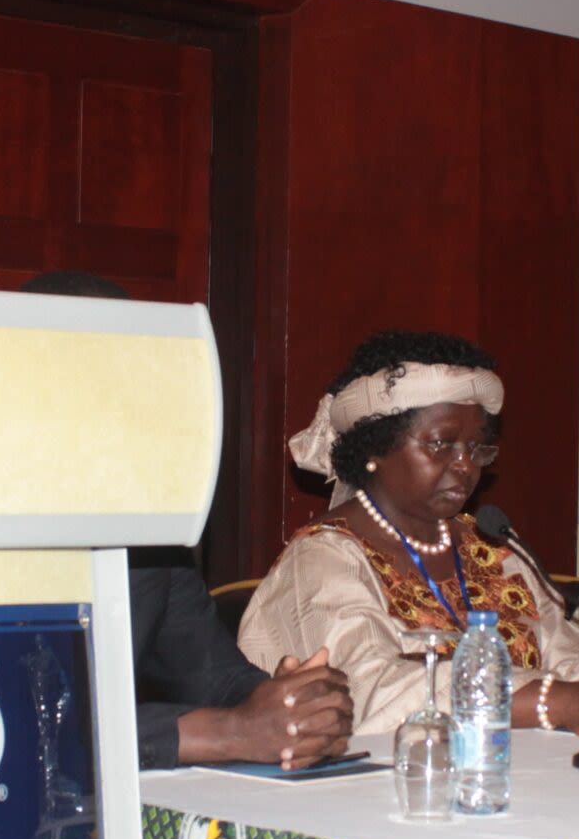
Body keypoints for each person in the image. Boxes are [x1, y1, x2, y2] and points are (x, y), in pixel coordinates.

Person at [239, 332, 579, 734]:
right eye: (441, 445)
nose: (465, 467)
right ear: (374, 449)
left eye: (477, 449)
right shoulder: (324, 559)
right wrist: (552, 702)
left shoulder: (490, 543)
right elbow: (374, 689)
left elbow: (563, 649)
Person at [18, 271, 354, 767]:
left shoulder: (146, 523)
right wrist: (222, 734)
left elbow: (214, 678)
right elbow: (19, 719)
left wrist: (292, 705)